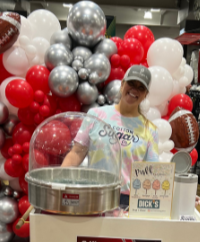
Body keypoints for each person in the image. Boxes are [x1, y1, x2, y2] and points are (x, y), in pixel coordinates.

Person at [61, 65, 160, 208]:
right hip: (94, 196)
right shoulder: (96, 115)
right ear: (122, 85)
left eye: (141, 87)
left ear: (145, 95)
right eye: (131, 83)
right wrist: (59, 181)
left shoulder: (150, 130)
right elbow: (76, 152)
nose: (134, 90)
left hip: (128, 203)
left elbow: (153, 173)